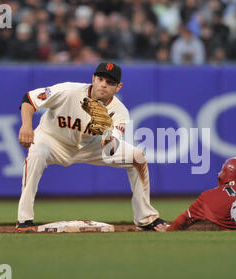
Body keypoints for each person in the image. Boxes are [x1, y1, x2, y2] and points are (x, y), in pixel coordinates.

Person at [16, 62, 167, 232]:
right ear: (93, 79)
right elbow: (29, 99)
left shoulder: (119, 111)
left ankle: (145, 218)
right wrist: (26, 126)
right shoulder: (69, 91)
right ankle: (24, 220)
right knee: (36, 155)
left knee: (137, 157)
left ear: (118, 87)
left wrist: (108, 138)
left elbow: (112, 146)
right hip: (52, 140)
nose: (103, 84)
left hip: (90, 146)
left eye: (110, 82)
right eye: (100, 79)